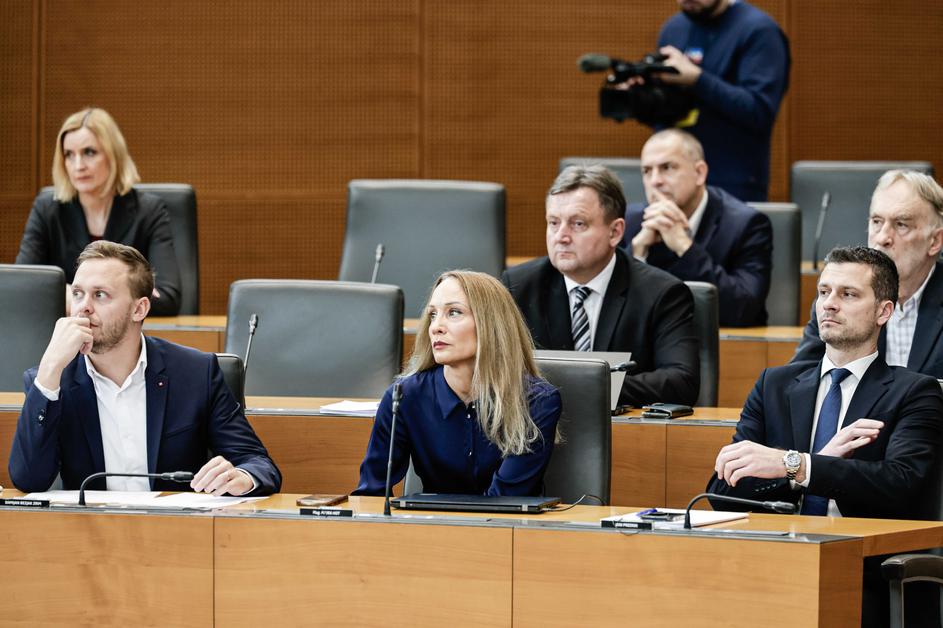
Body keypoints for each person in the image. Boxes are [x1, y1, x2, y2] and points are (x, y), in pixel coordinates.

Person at [708, 246, 943, 628]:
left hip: (864, 573)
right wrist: (803, 468)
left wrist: (803, 464)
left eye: (848, 294)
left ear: (884, 311)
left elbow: (900, 483)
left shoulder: (914, 392)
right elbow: (721, 491)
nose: (829, 304)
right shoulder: (774, 385)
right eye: (823, 292)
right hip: (774, 561)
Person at [8, 241, 280, 495]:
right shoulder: (52, 381)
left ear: (139, 309)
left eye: (100, 295)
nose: (83, 308)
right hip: (90, 527)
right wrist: (49, 370)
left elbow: (258, 463)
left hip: (174, 526)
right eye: (78, 294)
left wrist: (242, 476)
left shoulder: (196, 372)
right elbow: (28, 480)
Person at [502, 165, 699, 406]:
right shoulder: (519, 286)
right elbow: (493, 369)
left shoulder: (661, 293)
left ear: (615, 232)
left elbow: (681, 381)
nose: (561, 236)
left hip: (622, 426)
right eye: (553, 223)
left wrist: (587, 386)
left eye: (578, 224)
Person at [352, 270, 562, 496]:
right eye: (433, 315)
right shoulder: (403, 397)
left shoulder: (537, 401)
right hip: (429, 520)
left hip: (506, 520)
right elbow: (371, 494)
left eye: (454, 312)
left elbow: (506, 501)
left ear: (490, 324)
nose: (436, 327)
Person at [16, 107, 182, 316]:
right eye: (69, 155)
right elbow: (23, 286)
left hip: (123, 333)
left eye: (89, 152)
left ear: (114, 155)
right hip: (66, 332)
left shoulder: (148, 211)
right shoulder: (47, 210)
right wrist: (115, 295)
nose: (78, 165)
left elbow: (168, 298)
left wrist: (69, 294)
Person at [793, 170, 943, 377]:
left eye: (901, 224)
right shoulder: (841, 296)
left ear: (935, 241)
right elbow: (800, 377)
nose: (882, 238)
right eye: (877, 222)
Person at [625, 129, 772, 326]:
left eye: (667, 167)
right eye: (647, 171)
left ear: (700, 173)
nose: (655, 181)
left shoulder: (746, 224)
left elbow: (743, 309)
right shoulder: (631, 222)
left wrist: (684, 247)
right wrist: (637, 253)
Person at [649, 0, 790, 201]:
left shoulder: (759, 30)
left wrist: (697, 79)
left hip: (733, 186)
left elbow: (758, 111)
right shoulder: (674, 28)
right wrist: (641, 98)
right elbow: (668, 113)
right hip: (673, 181)